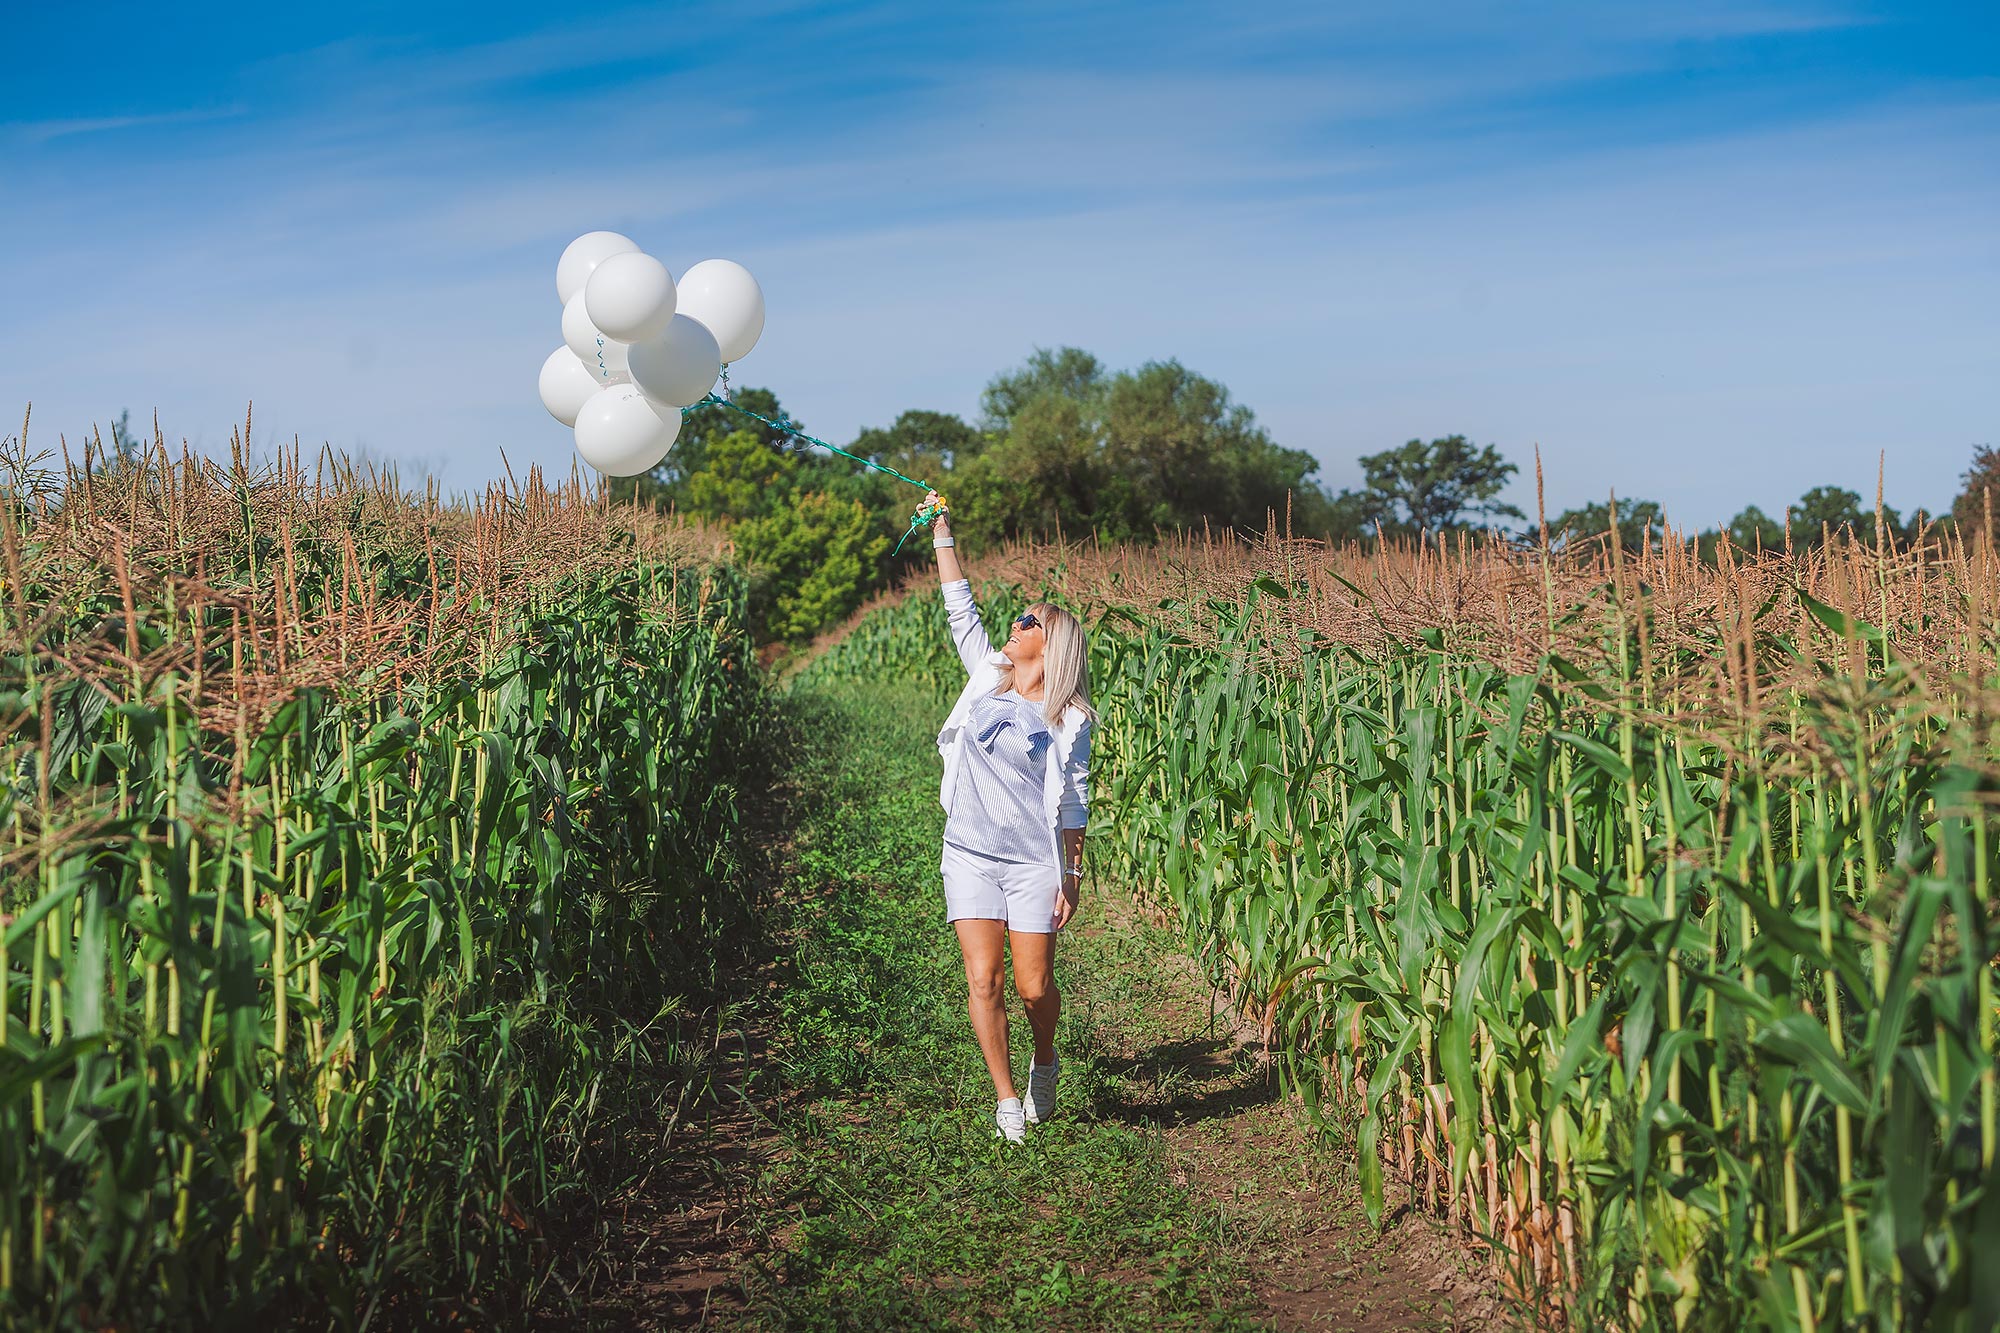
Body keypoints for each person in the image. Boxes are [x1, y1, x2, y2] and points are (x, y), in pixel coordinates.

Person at [925, 492, 1095, 1144]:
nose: (1013, 623)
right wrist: (944, 533)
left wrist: (1070, 875)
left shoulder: (1069, 717)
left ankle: (1043, 1058)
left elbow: (1073, 802)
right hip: (968, 849)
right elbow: (959, 609)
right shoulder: (986, 674)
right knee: (982, 977)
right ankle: (1004, 1097)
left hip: (1030, 861)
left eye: (1027, 620)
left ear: (1049, 646)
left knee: (1032, 984)